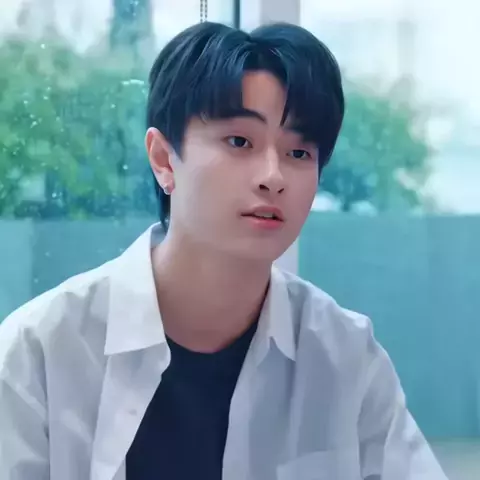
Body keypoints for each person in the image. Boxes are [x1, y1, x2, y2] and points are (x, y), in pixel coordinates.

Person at [0, 21, 447, 480]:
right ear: (163, 159)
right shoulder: (39, 352)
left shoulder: (345, 356)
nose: (273, 176)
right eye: (240, 142)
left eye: (299, 153)